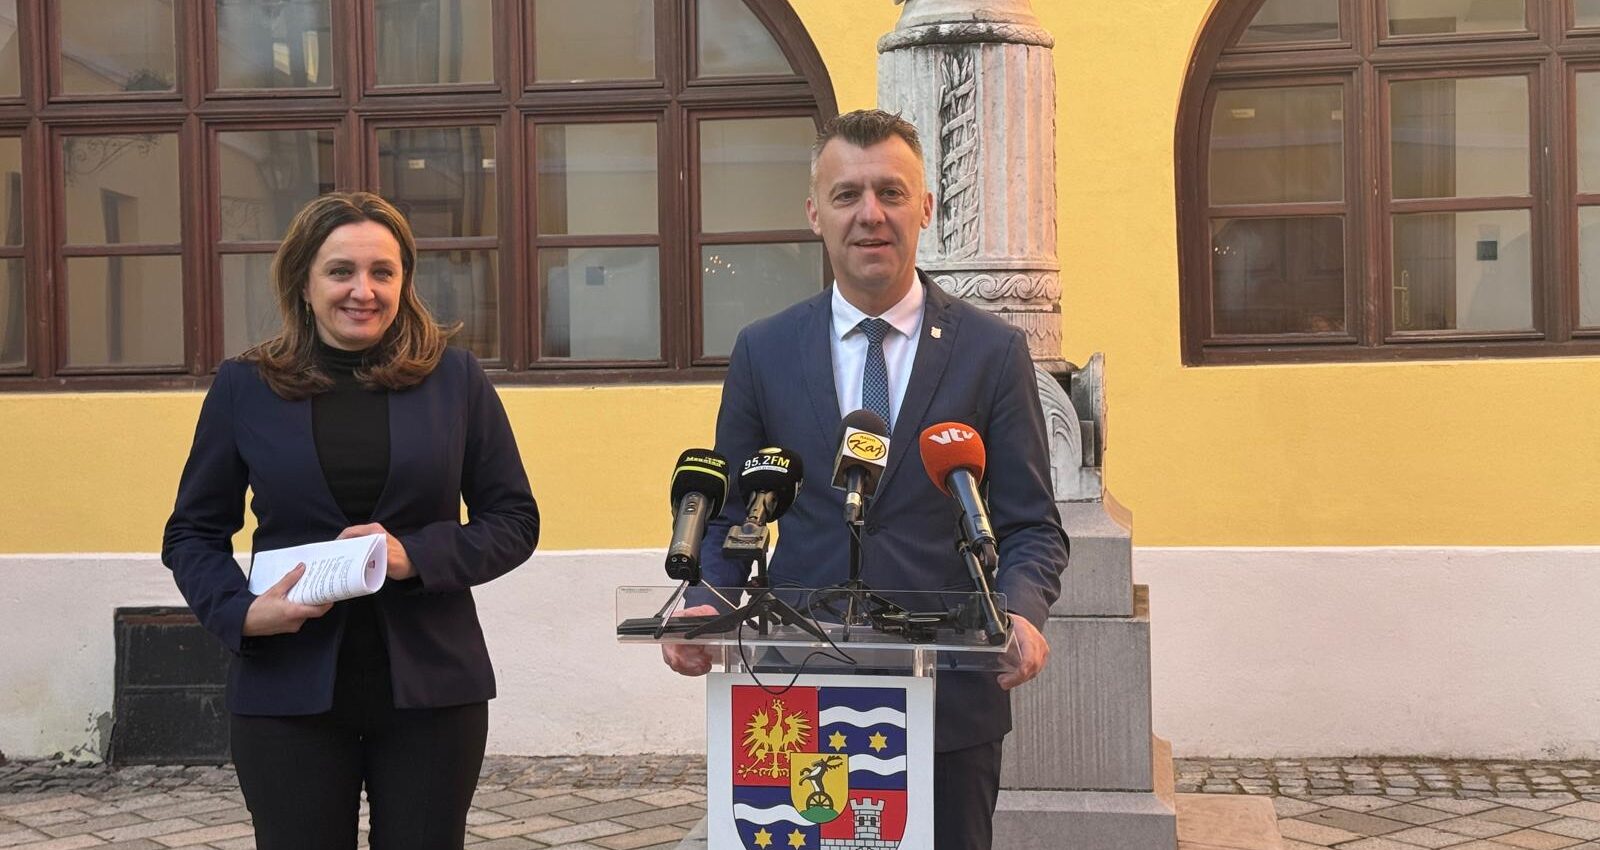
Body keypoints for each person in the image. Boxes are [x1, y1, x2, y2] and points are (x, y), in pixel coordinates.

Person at [662, 110, 1070, 850]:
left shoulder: (993, 352)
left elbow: (1032, 525)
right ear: (814, 213)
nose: (870, 214)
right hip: (796, 694)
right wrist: (706, 602)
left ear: (926, 207)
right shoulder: (764, 350)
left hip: (951, 699)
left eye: (890, 191)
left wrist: (1022, 611)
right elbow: (730, 515)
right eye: (847, 194)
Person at [162, 192, 539, 850]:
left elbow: (513, 519)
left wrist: (413, 556)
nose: (363, 291)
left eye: (382, 272)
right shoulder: (244, 385)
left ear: (403, 282)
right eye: (341, 271)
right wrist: (239, 613)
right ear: (303, 281)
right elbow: (192, 532)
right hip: (287, 689)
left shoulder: (454, 378)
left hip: (432, 690)